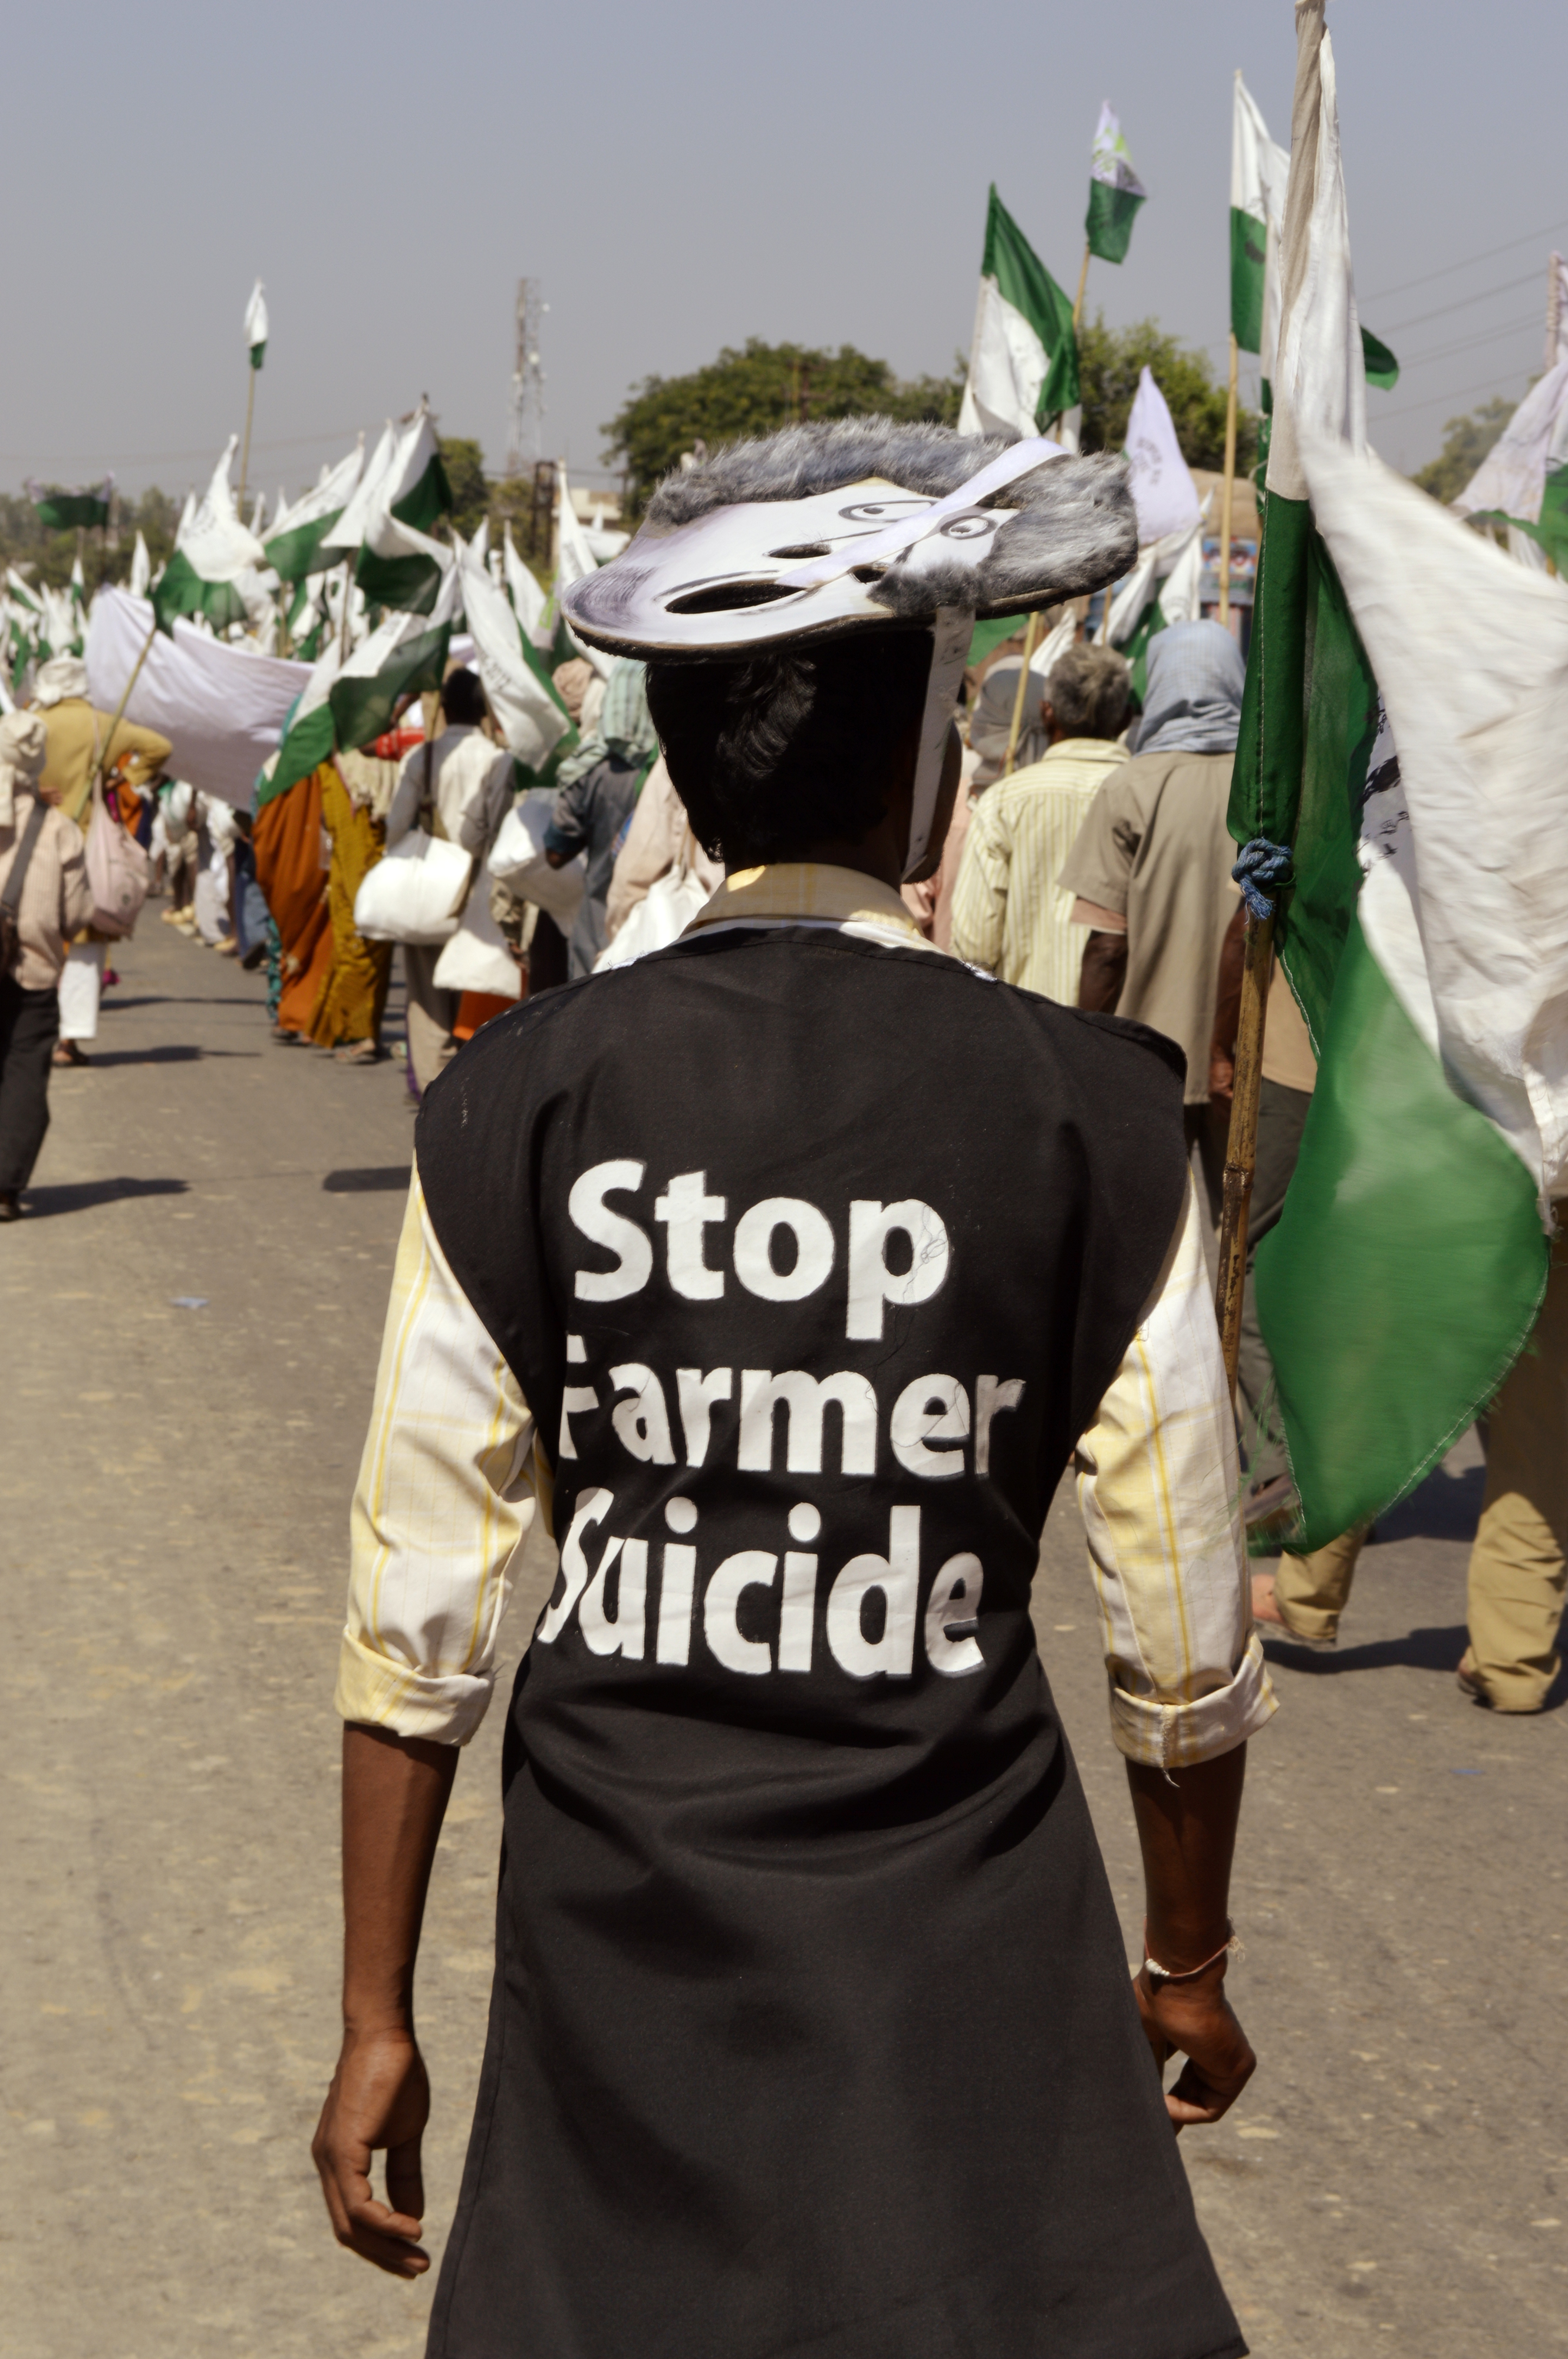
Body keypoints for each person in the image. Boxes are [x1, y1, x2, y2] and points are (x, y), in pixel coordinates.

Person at [312, 420, 1273, 2358]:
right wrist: (1185, 1956)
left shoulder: (515, 1105)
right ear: (932, 759)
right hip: (970, 1940)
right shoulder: (1092, 1114)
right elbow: (1180, 1623)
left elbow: (416, 1614)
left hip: (615, 1937)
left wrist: (376, 2017)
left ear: (670, 755)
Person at [1059, 619, 1249, 1215]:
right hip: (1244, 1054)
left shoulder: (1130, 787)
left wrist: (1082, 1050)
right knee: (1235, 1233)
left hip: (1147, 1058)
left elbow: (1106, 949)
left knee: (1150, 1234)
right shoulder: (1265, 784)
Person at [949, 642, 1132, 999]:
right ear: (1125, 719)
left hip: (1030, 1027)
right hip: (1122, 1034)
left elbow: (974, 947)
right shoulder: (1147, 797)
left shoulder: (1004, 801)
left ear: (1047, 713)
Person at [32, 653, 170, 1065]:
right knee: (84, 943)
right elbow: (160, 748)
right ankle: (67, 1042)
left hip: (34, 844)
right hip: (85, 846)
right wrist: (121, 778)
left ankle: (28, 1034)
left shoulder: (31, 722)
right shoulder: (101, 723)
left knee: (31, 937)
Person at [385, 669, 514, 1092]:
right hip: (479, 889)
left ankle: (433, 1088)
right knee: (475, 985)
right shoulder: (497, 758)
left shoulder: (421, 757)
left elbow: (395, 827)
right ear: (482, 708)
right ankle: (472, 1086)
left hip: (429, 890)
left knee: (426, 994)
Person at [0, 710, 93, 1219]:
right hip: (32, 972)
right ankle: (5, 1186)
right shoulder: (58, 829)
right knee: (24, 1075)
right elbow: (77, 913)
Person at [542, 657, 658, 976]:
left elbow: (555, 853)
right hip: (658, 939)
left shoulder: (590, 770)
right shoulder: (670, 774)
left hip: (595, 937)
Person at [308, 753, 395, 1064]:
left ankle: (362, 1034)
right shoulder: (335, 766)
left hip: (364, 869)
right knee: (352, 937)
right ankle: (347, 1028)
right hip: (348, 868)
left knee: (362, 938)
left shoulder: (366, 768)